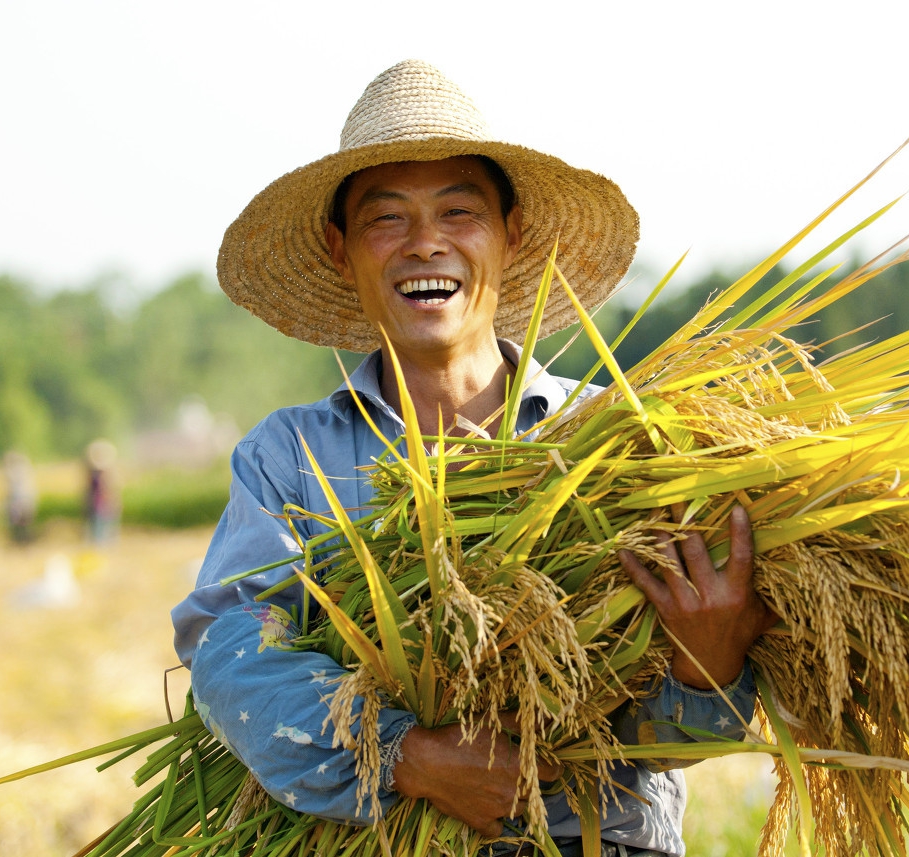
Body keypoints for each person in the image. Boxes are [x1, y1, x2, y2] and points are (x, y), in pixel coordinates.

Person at [171, 60, 776, 857]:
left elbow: (673, 739)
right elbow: (231, 652)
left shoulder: (621, 441)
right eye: (387, 218)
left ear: (511, 233)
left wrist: (710, 664)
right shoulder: (291, 459)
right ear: (340, 245)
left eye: (459, 210)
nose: (427, 242)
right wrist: (407, 758)